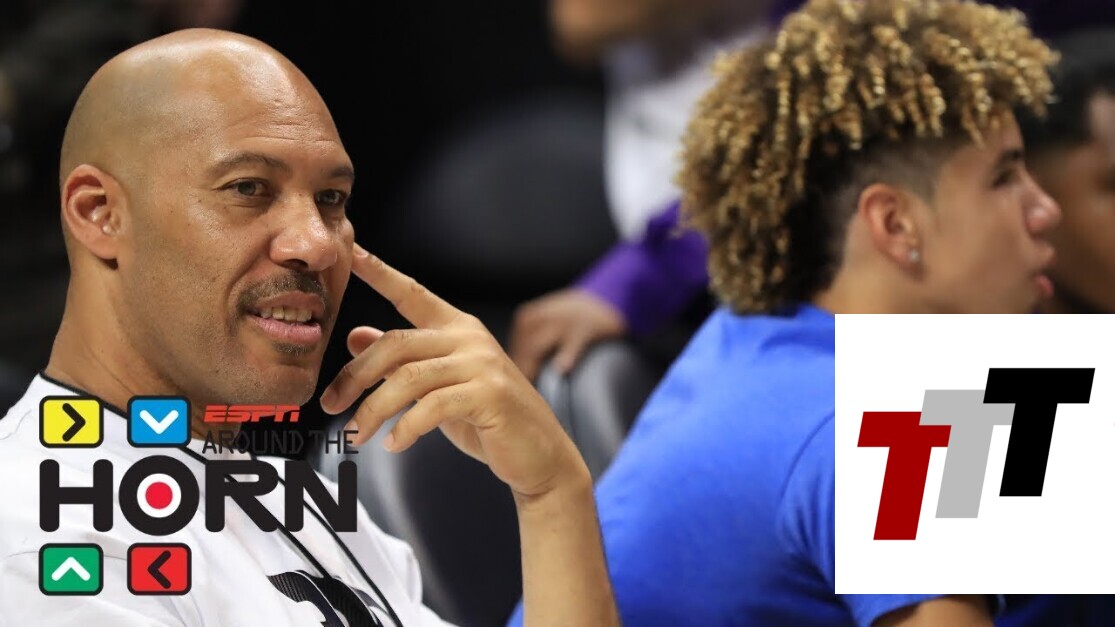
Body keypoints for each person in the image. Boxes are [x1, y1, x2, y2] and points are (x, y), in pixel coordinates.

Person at [0, 29, 618, 627]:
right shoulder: (42, 537)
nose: (318, 244)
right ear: (99, 213)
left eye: (330, 200)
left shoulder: (299, 499)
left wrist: (552, 494)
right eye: (248, 188)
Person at [507, 0, 1062, 624]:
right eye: (1004, 179)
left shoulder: (767, 336)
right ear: (895, 224)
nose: (1046, 210)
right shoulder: (867, 421)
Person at [509, 0, 777, 381]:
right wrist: (631, 282)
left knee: (864, 417)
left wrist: (635, 280)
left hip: (814, 291)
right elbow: (577, 23)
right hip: (687, 282)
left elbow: (797, 151)